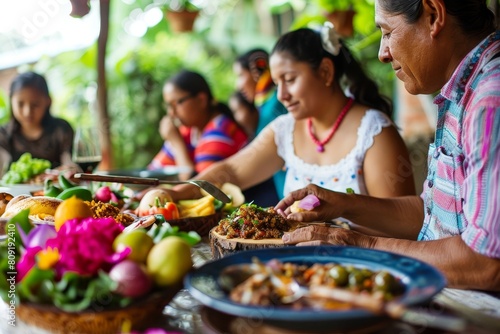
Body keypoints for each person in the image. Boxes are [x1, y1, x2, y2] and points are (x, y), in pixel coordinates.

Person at [275, 0, 500, 291]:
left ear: (433, 15)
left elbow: (487, 263)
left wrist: (361, 245)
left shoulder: (489, 101)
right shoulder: (461, 93)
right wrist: (343, 205)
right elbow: (431, 216)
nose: (383, 53)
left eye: (388, 32)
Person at [164, 24, 415, 226]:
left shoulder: (373, 133)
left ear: (326, 72)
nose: (282, 95)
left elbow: (402, 224)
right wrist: (175, 193)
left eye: (290, 79)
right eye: (277, 83)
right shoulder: (285, 129)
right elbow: (231, 172)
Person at [148, 69, 248, 181]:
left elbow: (199, 187)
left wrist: (177, 143)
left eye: (177, 103)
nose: (171, 113)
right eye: (168, 106)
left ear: (201, 99)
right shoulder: (189, 130)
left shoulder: (220, 131)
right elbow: (152, 173)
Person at [234, 48, 288, 200]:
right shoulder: (265, 105)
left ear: (257, 68)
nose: (238, 85)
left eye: (240, 75)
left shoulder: (274, 105)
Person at [0, 71, 76, 176]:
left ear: (48, 101)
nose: (27, 112)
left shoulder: (61, 130)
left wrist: (69, 171)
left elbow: (70, 164)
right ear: (11, 101)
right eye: (20, 104)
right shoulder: (3, 134)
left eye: (35, 105)